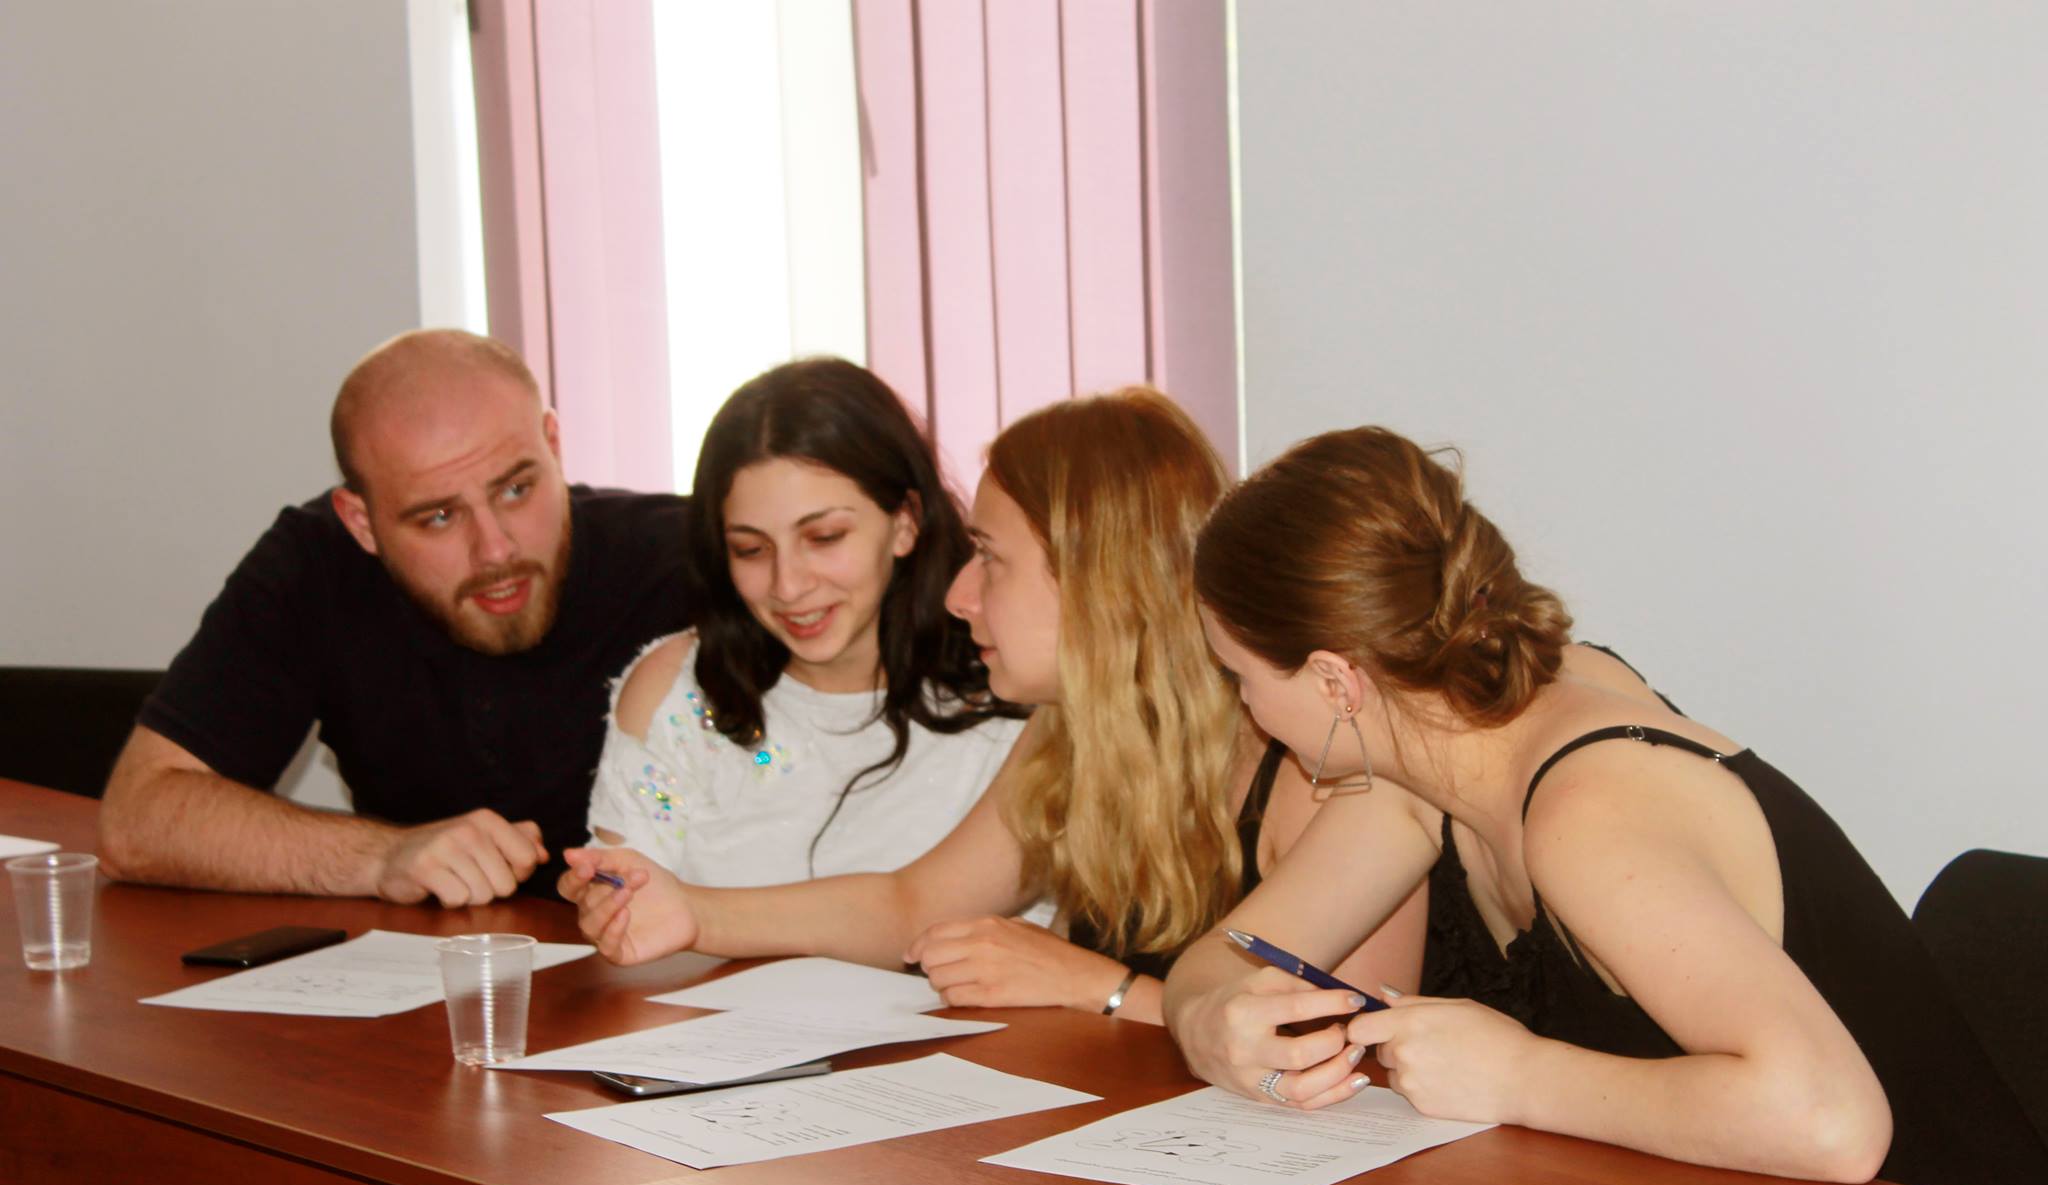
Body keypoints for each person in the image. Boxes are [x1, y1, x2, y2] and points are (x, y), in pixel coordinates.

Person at [1166, 425, 2048, 1185]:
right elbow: (1225, 959)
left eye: (1241, 675)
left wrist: (1516, 1074)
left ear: (1335, 681)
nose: (1246, 707)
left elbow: (1831, 1122)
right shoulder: (1433, 750)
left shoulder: (1587, 809)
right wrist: (1213, 1026)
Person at [562, 390, 1426, 1023]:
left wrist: (1098, 986)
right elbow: (913, 904)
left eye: (991, 559)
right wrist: (693, 911)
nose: (959, 595)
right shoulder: (1076, 731)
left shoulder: (1311, 765)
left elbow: (1347, 1045)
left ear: (1101, 581)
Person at [97, 329, 696, 906]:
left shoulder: (696, 561)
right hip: (438, 966)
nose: (496, 550)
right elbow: (138, 823)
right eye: (439, 517)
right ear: (361, 523)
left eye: (516, 489)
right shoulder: (316, 567)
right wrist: (382, 857)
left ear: (554, 446)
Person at [585, 358, 1029, 886]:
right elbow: (625, 905)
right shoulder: (677, 693)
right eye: (751, 549)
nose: (788, 586)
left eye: (824, 538)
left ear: (905, 522)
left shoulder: (1012, 691)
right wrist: (607, 899)